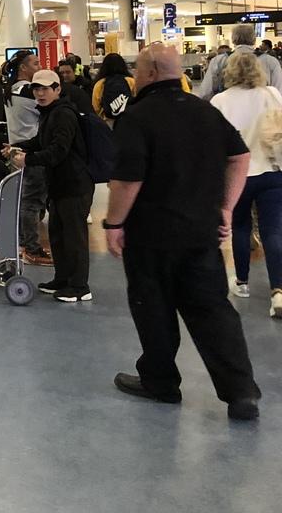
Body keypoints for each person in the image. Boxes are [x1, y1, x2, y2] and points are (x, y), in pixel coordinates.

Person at [104, 43, 261, 421]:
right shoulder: (205, 111)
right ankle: (240, 392)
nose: (134, 77)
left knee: (153, 309)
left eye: (137, 70)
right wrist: (226, 207)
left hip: (151, 235)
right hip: (201, 233)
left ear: (151, 73)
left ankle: (160, 382)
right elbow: (240, 156)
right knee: (213, 311)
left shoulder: (137, 117)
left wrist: (114, 223)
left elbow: (128, 180)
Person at [6, 70, 95, 302]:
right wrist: (18, 146)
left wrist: (28, 159)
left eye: (45, 89)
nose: (40, 93)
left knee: (74, 237)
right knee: (58, 235)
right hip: (59, 184)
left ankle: (80, 287)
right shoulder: (49, 113)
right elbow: (41, 141)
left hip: (74, 185)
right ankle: (63, 279)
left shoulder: (64, 114)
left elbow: (58, 151)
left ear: (57, 90)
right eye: (36, 89)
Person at [210, 51, 282, 316]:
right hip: (271, 172)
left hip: (236, 176)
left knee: (240, 228)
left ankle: (242, 282)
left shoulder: (220, 101)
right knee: (273, 231)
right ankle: (278, 292)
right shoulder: (272, 94)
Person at [4, 50, 51, 265]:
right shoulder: (27, 90)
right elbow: (49, 107)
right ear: (23, 67)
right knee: (32, 202)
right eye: (35, 63)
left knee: (25, 200)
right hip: (30, 151)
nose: (39, 67)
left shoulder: (10, 89)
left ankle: (24, 244)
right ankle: (31, 248)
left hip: (16, 149)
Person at [199, 23, 282, 98]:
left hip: (227, 106)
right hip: (263, 107)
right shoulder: (271, 61)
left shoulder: (219, 60)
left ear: (233, 39)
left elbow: (206, 91)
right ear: (254, 39)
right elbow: (278, 91)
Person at [92, 52, 134, 121]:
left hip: (108, 122)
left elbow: (96, 108)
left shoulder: (100, 84)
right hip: (129, 120)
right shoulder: (131, 81)